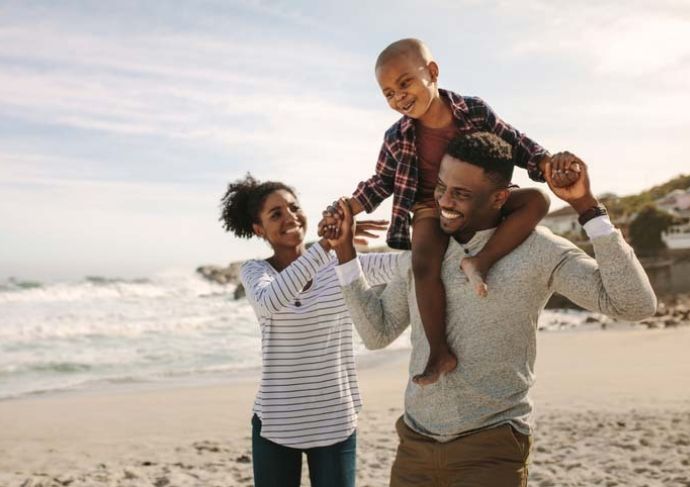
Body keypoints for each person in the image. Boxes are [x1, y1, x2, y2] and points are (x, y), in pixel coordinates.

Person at [328, 132, 656, 487]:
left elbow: (634, 304)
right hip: (415, 446)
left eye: (461, 194)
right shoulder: (424, 253)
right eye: (441, 187)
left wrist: (587, 207)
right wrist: (345, 253)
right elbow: (377, 333)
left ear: (500, 197)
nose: (444, 202)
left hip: (491, 448)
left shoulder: (537, 250)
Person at [321, 38, 578, 386]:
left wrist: (546, 163)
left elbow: (516, 142)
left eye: (404, 83)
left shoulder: (473, 111)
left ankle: (481, 261)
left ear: (432, 72)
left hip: (479, 200)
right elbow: (382, 181)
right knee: (423, 261)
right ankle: (439, 353)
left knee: (537, 201)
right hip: (431, 205)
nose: (398, 98)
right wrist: (351, 205)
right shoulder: (396, 137)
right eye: (388, 94)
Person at [219, 174, 400, 487]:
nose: (290, 217)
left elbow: (407, 266)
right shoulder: (254, 271)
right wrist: (327, 246)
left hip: (336, 420)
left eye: (293, 207)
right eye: (276, 214)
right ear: (258, 229)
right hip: (277, 423)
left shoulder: (342, 263)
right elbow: (271, 301)